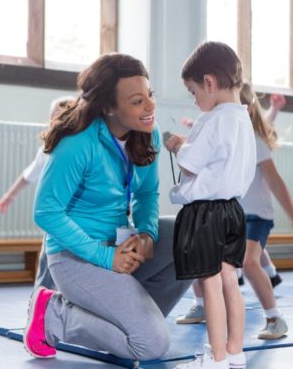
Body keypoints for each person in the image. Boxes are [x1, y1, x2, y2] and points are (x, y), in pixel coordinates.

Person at [23, 53, 192, 362]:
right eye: (138, 101)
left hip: (119, 246)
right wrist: (106, 257)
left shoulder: (146, 132)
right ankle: (52, 314)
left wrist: (147, 234)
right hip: (75, 257)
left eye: (150, 95)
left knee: (190, 234)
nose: (151, 106)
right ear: (108, 107)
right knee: (151, 346)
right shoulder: (77, 142)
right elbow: (46, 211)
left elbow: (146, 193)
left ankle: (126, 319)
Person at [164, 41, 256, 369]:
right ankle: (234, 351)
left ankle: (215, 357)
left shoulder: (213, 119)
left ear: (209, 83)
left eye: (193, 92)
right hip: (233, 210)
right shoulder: (243, 119)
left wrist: (177, 145)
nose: (195, 99)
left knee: (210, 283)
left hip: (206, 212)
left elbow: (191, 164)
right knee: (229, 280)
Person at [239, 82, 293, 340]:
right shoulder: (232, 136)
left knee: (249, 263)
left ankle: (275, 318)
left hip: (257, 215)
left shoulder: (254, 140)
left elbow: (276, 182)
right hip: (234, 215)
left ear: (244, 110)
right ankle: (203, 305)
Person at [0, 96, 74, 289]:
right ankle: (40, 301)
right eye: (53, 118)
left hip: (79, 219)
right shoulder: (48, 149)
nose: (55, 122)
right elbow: (28, 175)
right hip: (56, 220)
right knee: (47, 263)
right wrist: (10, 195)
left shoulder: (83, 146)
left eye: (61, 117)